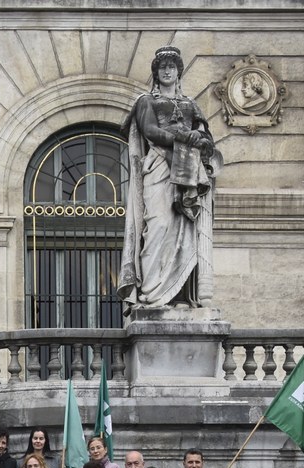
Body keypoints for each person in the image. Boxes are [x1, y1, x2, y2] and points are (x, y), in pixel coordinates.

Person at [120, 45, 218, 311]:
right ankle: (151, 293)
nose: (167, 71)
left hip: (186, 168)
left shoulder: (190, 104)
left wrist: (199, 137)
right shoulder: (146, 101)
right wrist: (183, 137)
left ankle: (179, 296)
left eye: (171, 67)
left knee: (184, 232)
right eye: (162, 67)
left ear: (178, 72)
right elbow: (150, 131)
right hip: (159, 167)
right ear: (156, 72)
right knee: (159, 225)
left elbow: (206, 137)